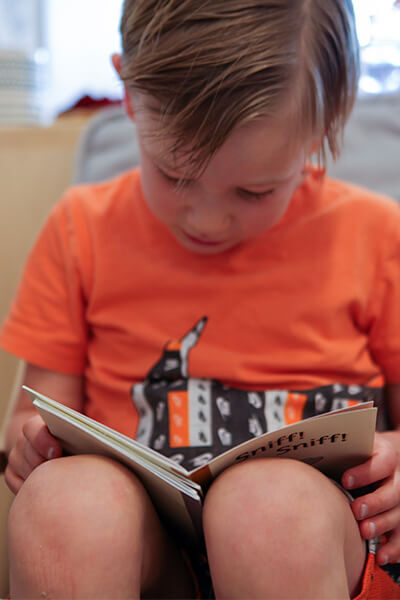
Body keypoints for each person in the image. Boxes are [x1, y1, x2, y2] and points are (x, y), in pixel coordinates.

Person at [1, 0, 400, 598]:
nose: (208, 219)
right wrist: (32, 444)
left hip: (316, 550)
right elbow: (34, 416)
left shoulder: (376, 236)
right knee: (63, 505)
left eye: (253, 190)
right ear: (130, 100)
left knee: (266, 511)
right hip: (148, 555)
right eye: (175, 175)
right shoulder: (81, 230)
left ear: (323, 128)